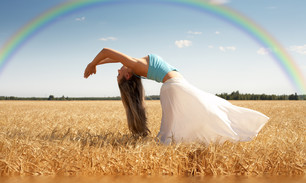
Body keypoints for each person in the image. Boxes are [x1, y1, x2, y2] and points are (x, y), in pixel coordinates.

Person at [84, 48, 269, 145]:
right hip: (174, 88)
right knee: (197, 117)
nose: (118, 68)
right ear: (127, 75)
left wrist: (96, 64)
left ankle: (227, 134)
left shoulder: (134, 63)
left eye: (117, 70)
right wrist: (93, 63)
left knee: (209, 109)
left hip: (177, 86)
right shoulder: (134, 64)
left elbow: (111, 56)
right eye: (119, 73)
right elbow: (107, 51)